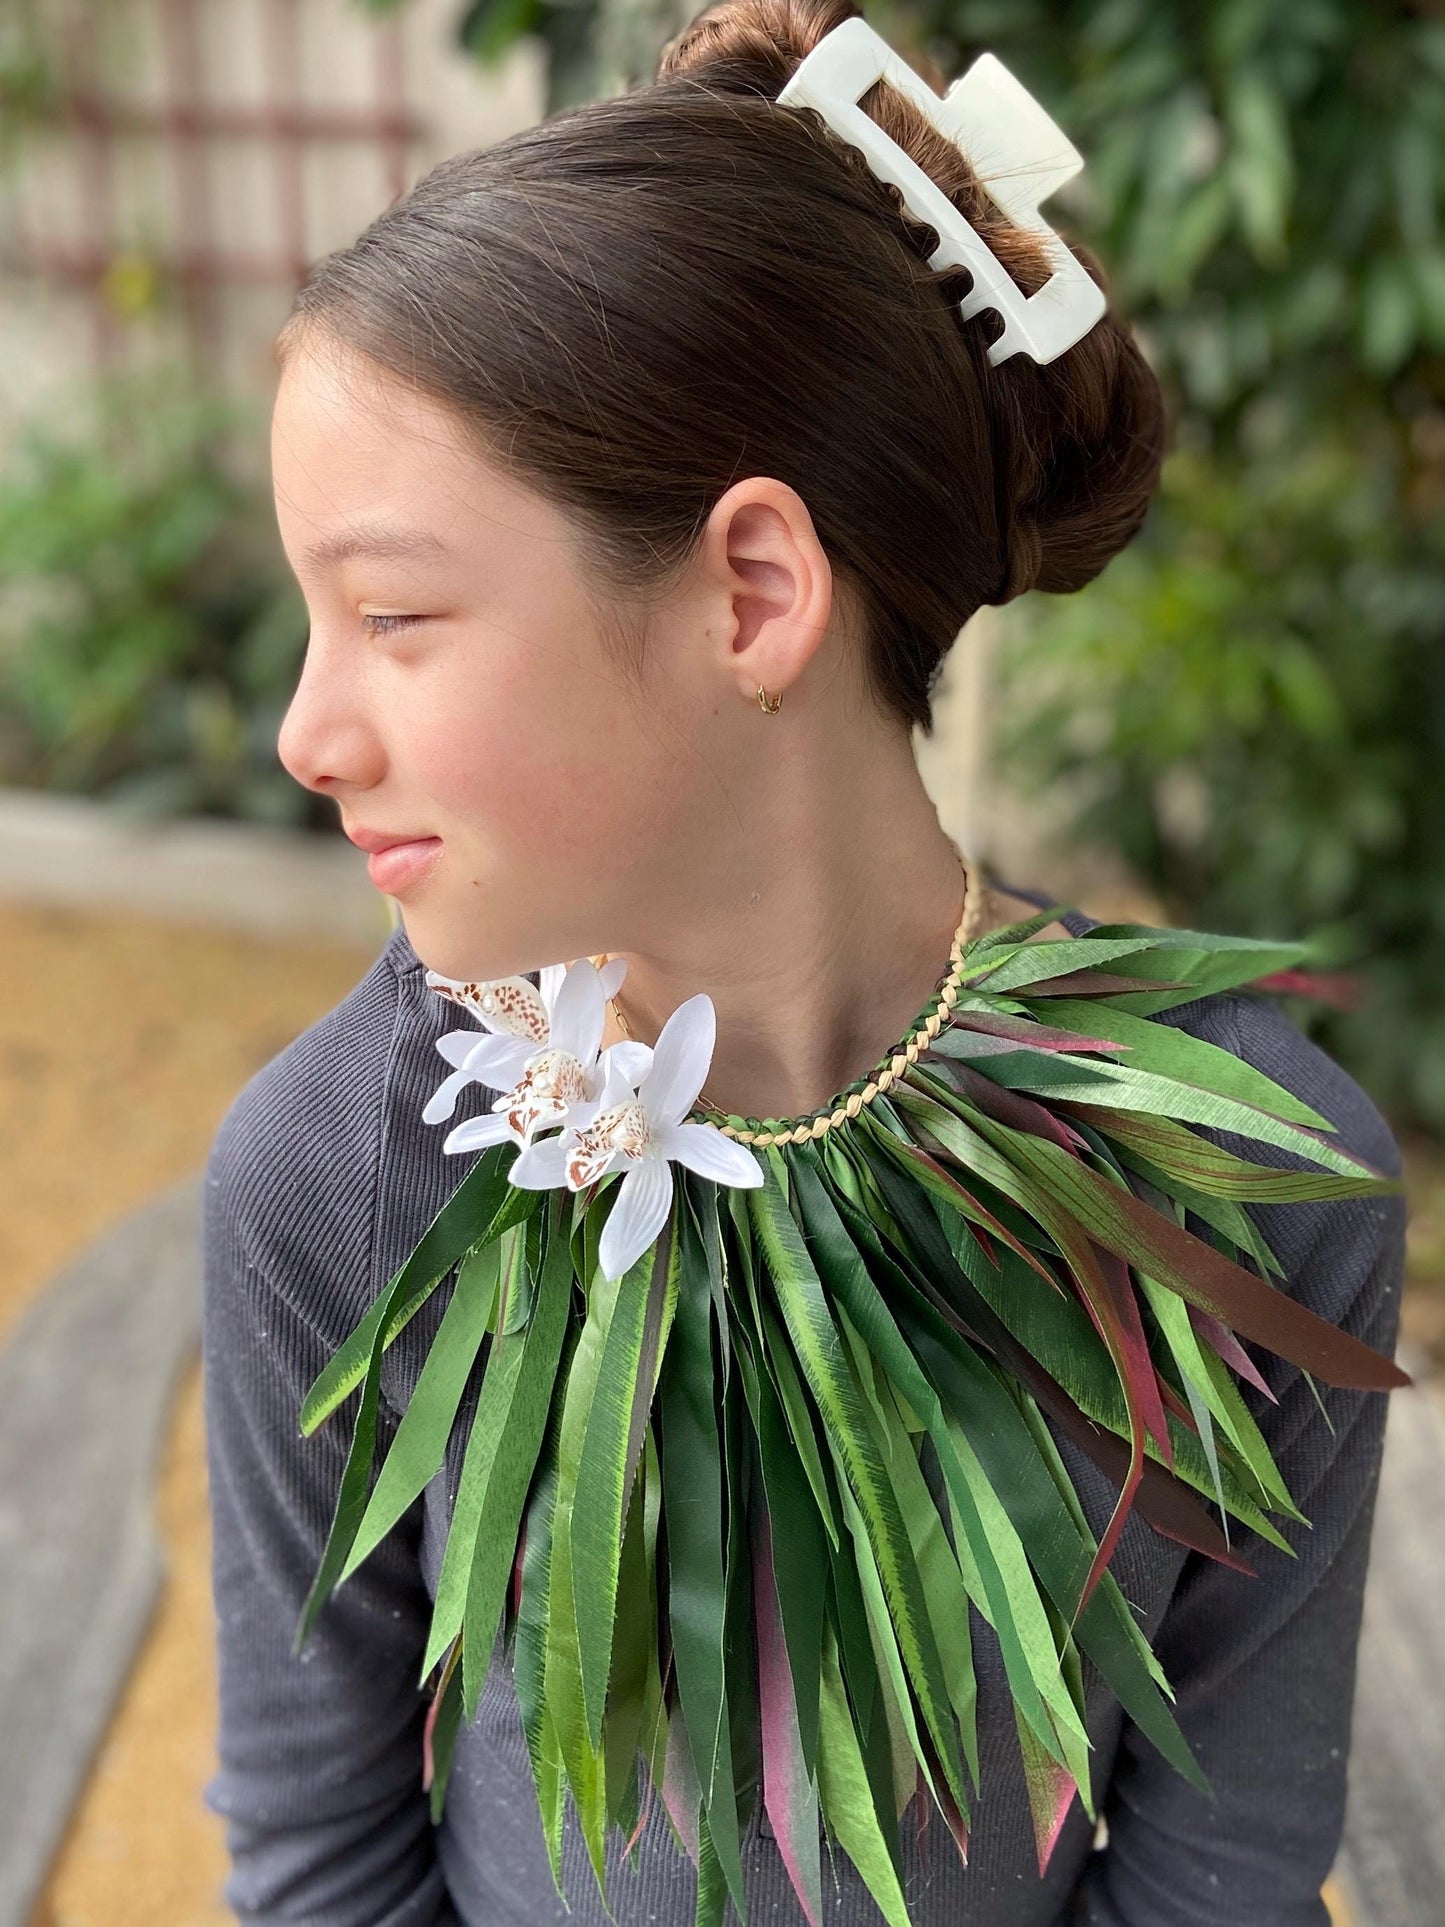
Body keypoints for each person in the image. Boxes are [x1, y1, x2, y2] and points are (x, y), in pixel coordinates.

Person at [200, 3, 1407, 1921]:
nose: (305, 732)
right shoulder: (338, 1184)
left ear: (751, 595)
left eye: (396, 615)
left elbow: (1226, 1862)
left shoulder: (1248, 1180)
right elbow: (321, 1850)